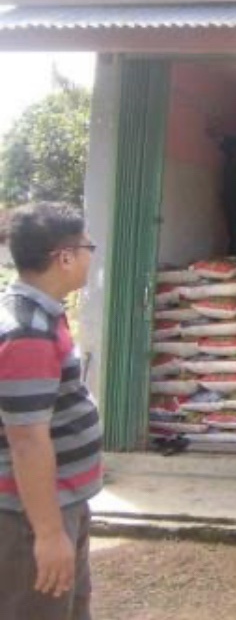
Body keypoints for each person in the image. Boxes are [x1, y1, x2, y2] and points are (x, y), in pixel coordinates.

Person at [0, 202, 102, 620]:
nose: (90, 256)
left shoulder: (45, 317)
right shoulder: (28, 332)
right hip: (31, 516)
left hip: (59, 504)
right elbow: (27, 441)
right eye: (87, 247)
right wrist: (47, 534)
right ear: (64, 257)